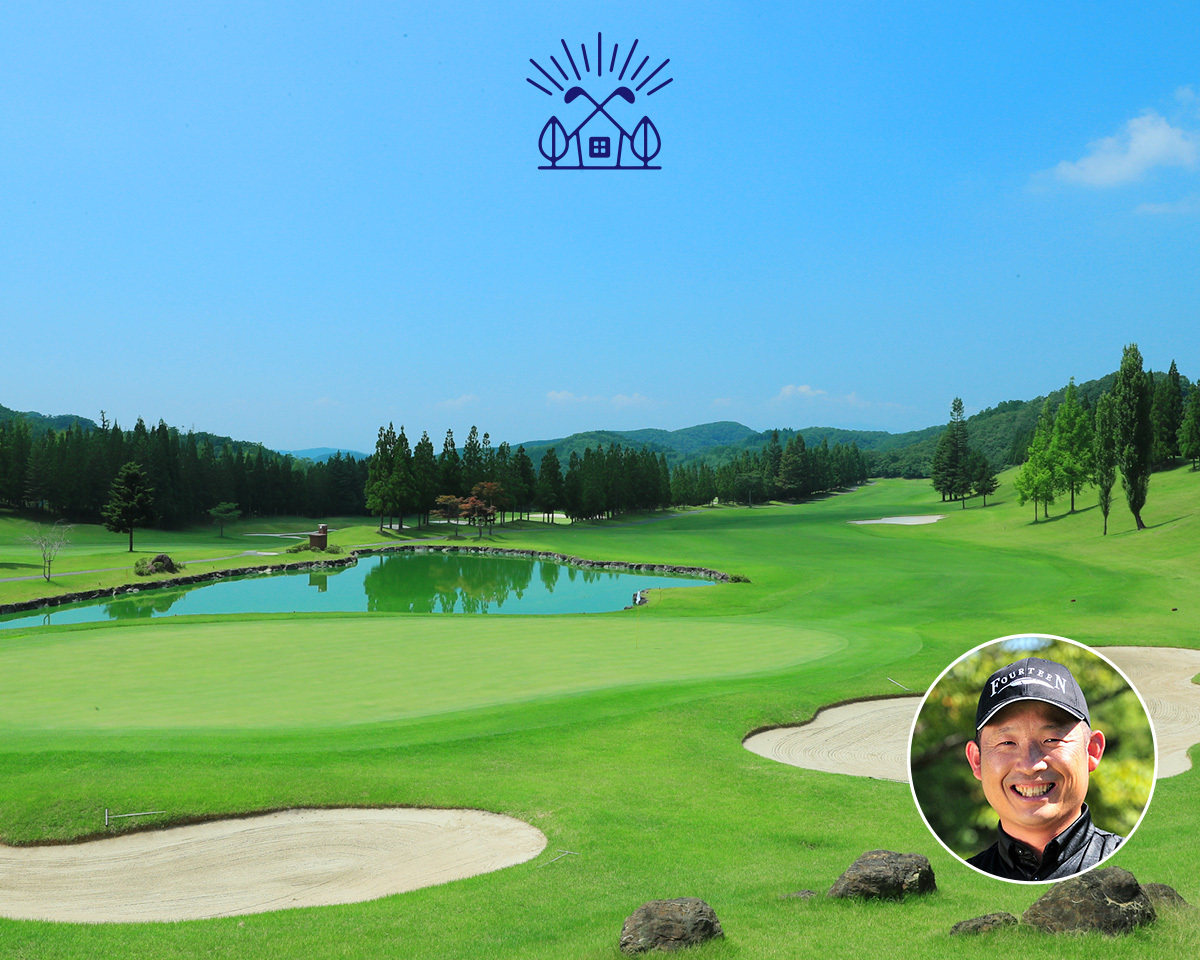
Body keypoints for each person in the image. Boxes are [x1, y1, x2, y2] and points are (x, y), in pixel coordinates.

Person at [963, 656, 1123, 881]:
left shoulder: (1135, 867)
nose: (1030, 765)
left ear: (1092, 751)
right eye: (1007, 743)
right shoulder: (961, 882)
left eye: (1051, 739)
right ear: (977, 761)